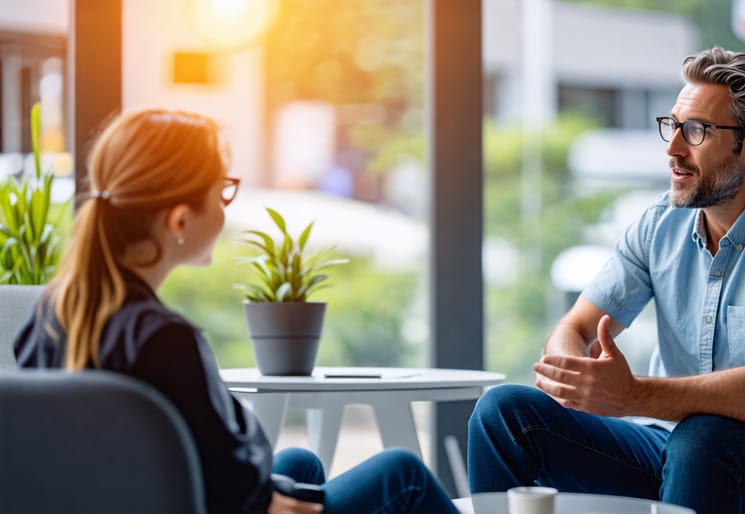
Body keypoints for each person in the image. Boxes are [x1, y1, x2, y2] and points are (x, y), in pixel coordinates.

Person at [14, 108, 459, 514]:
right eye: (222, 191)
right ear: (180, 221)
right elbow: (233, 482)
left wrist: (265, 491)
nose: (227, 206)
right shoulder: (164, 341)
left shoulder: (46, 319)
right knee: (404, 476)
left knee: (299, 464)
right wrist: (262, 498)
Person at [468, 47, 745, 514]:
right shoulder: (658, 225)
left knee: (703, 437)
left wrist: (631, 395)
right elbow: (576, 328)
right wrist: (580, 377)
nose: (672, 148)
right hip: (668, 445)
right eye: (672, 126)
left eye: (696, 131)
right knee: (503, 414)